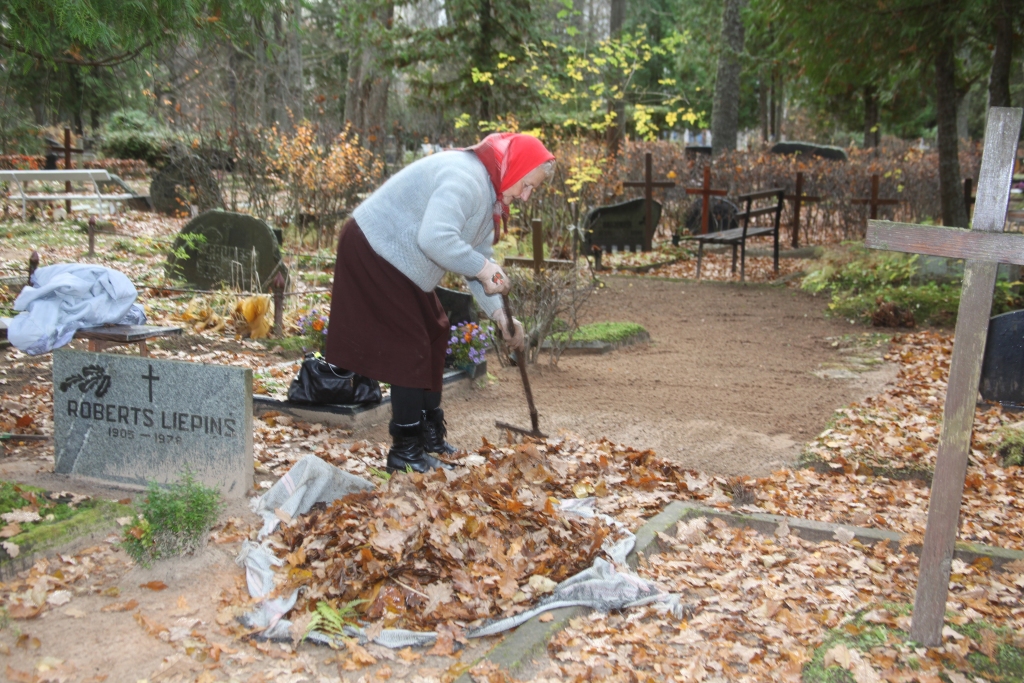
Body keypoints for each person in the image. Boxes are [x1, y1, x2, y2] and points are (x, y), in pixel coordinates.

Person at [325, 132, 556, 473]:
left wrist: (501, 317)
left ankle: (429, 434)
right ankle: (405, 450)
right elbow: (435, 238)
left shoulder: (490, 193)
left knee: (435, 332)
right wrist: (483, 267)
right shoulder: (466, 179)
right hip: (375, 245)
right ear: (514, 167)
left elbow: (477, 263)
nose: (525, 195)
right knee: (410, 346)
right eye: (527, 185)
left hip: (404, 260)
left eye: (532, 189)